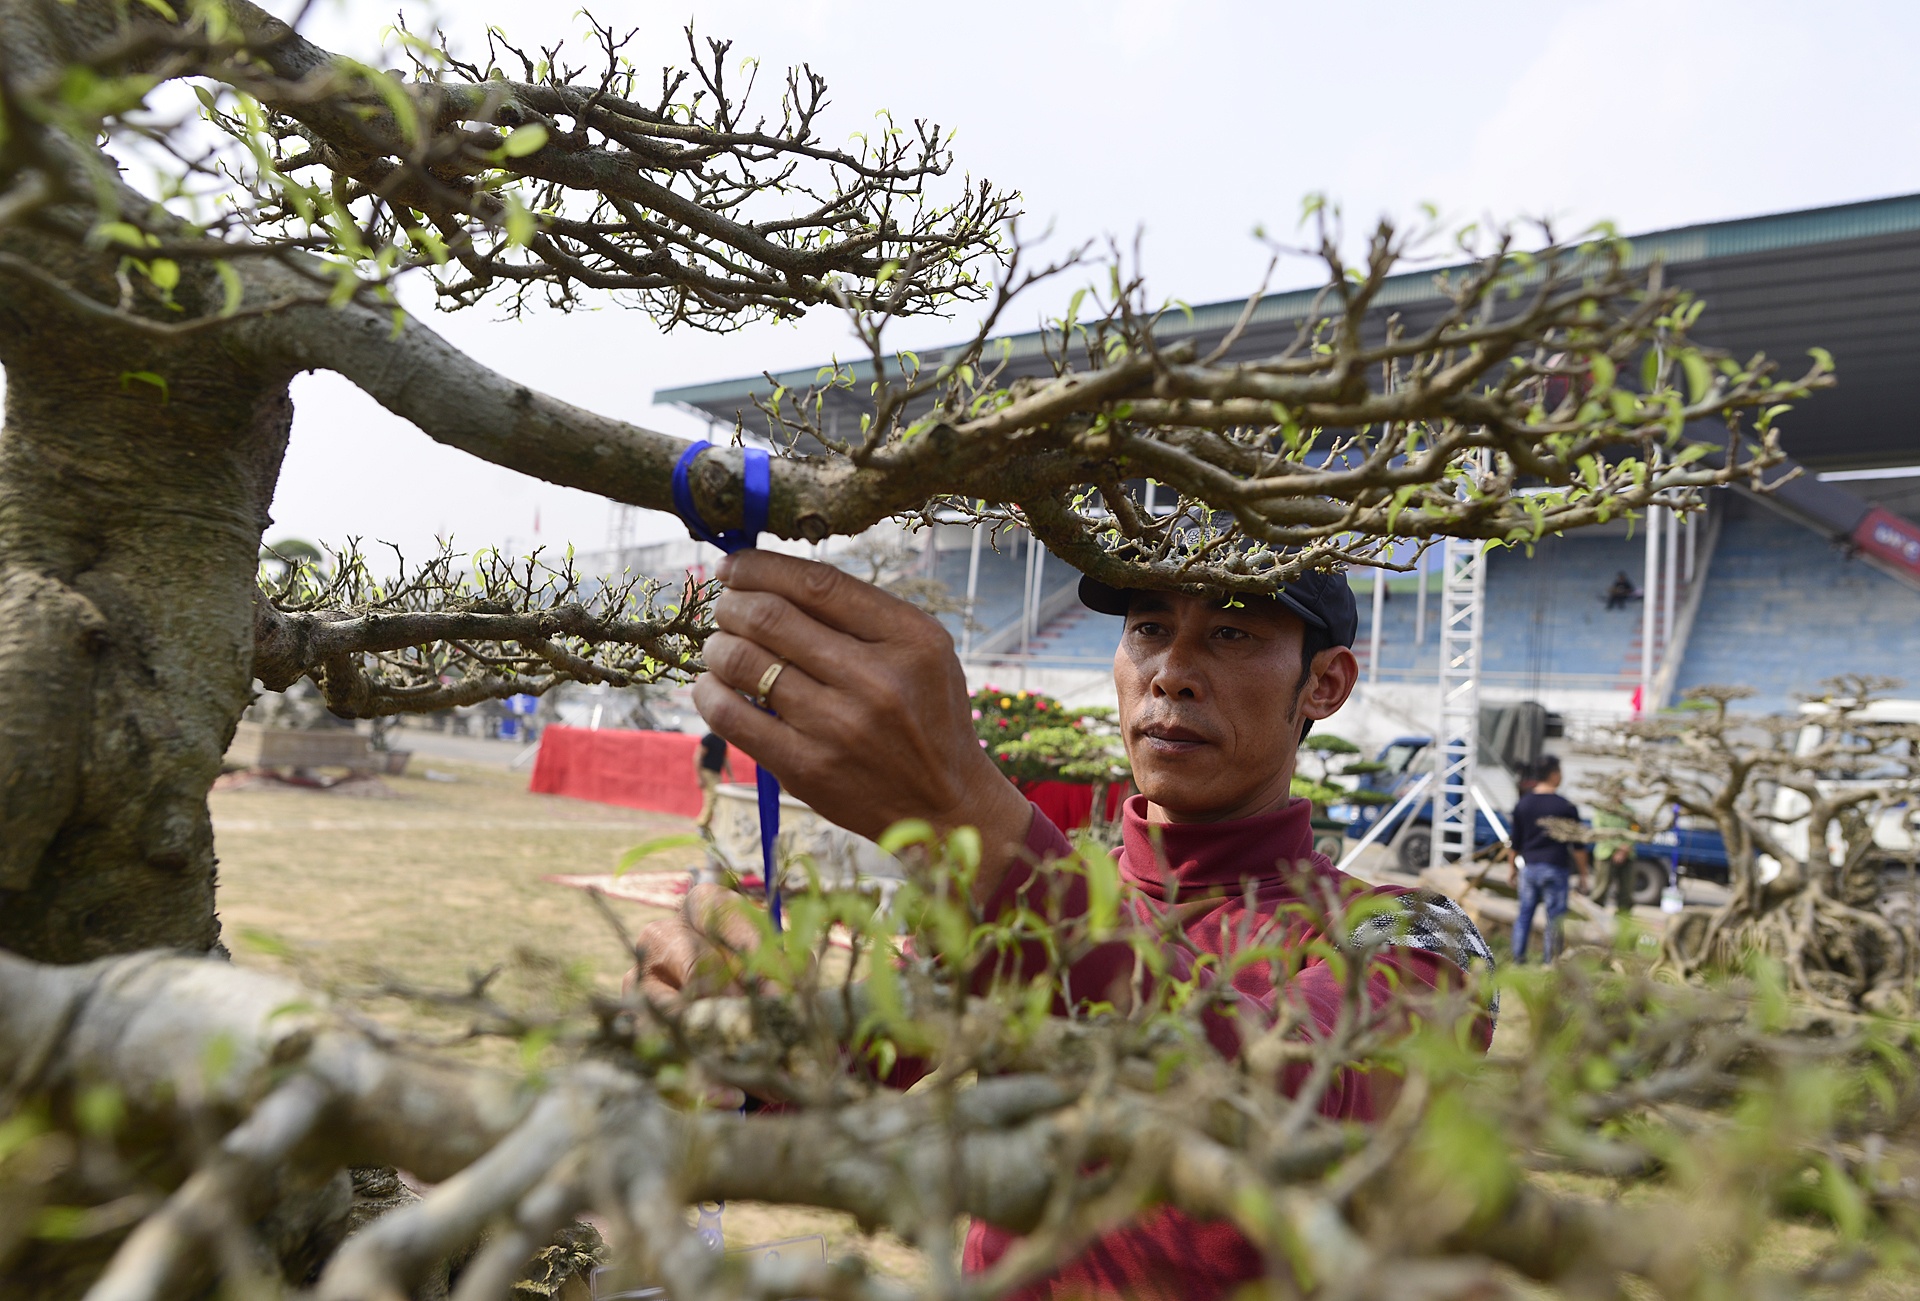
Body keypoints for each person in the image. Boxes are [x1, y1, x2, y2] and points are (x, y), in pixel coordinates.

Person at [635, 551, 1495, 1301]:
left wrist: (969, 809)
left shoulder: (1415, 935)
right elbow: (855, 1066)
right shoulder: (1025, 901)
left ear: (1326, 682)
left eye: (1232, 633)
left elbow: (1277, 1099)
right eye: (1150, 628)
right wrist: (739, 1040)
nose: (1172, 672)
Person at [1507, 756, 1589, 962]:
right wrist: (1584, 874)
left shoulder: (1523, 804)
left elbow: (1514, 842)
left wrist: (1511, 869)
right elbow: (1578, 846)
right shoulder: (1565, 807)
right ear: (1554, 775)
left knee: (1524, 915)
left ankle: (1518, 960)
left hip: (1530, 868)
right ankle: (1550, 963)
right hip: (1555, 867)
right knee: (1555, 919)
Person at [1588, 806, 1637, 913]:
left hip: (1627, 854)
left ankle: (1624, 919)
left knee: (1626, 890)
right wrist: (1618, 846)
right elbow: (1599, 831)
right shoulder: (1601, 811)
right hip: (1605, 853)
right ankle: (1595, 914)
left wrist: (1625, 849)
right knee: (1601, 888)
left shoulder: (1629, 811)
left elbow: (1635, 829)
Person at [693, 731, 731, 830]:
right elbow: (698, 757)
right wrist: (699, 776)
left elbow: (725, 760)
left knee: (715, 799)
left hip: (717, 774)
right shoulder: (708, 739)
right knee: (711, 798)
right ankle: (701, 824)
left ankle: (706, 825)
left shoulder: (723, 742)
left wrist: (731, 776)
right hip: (707, 772)